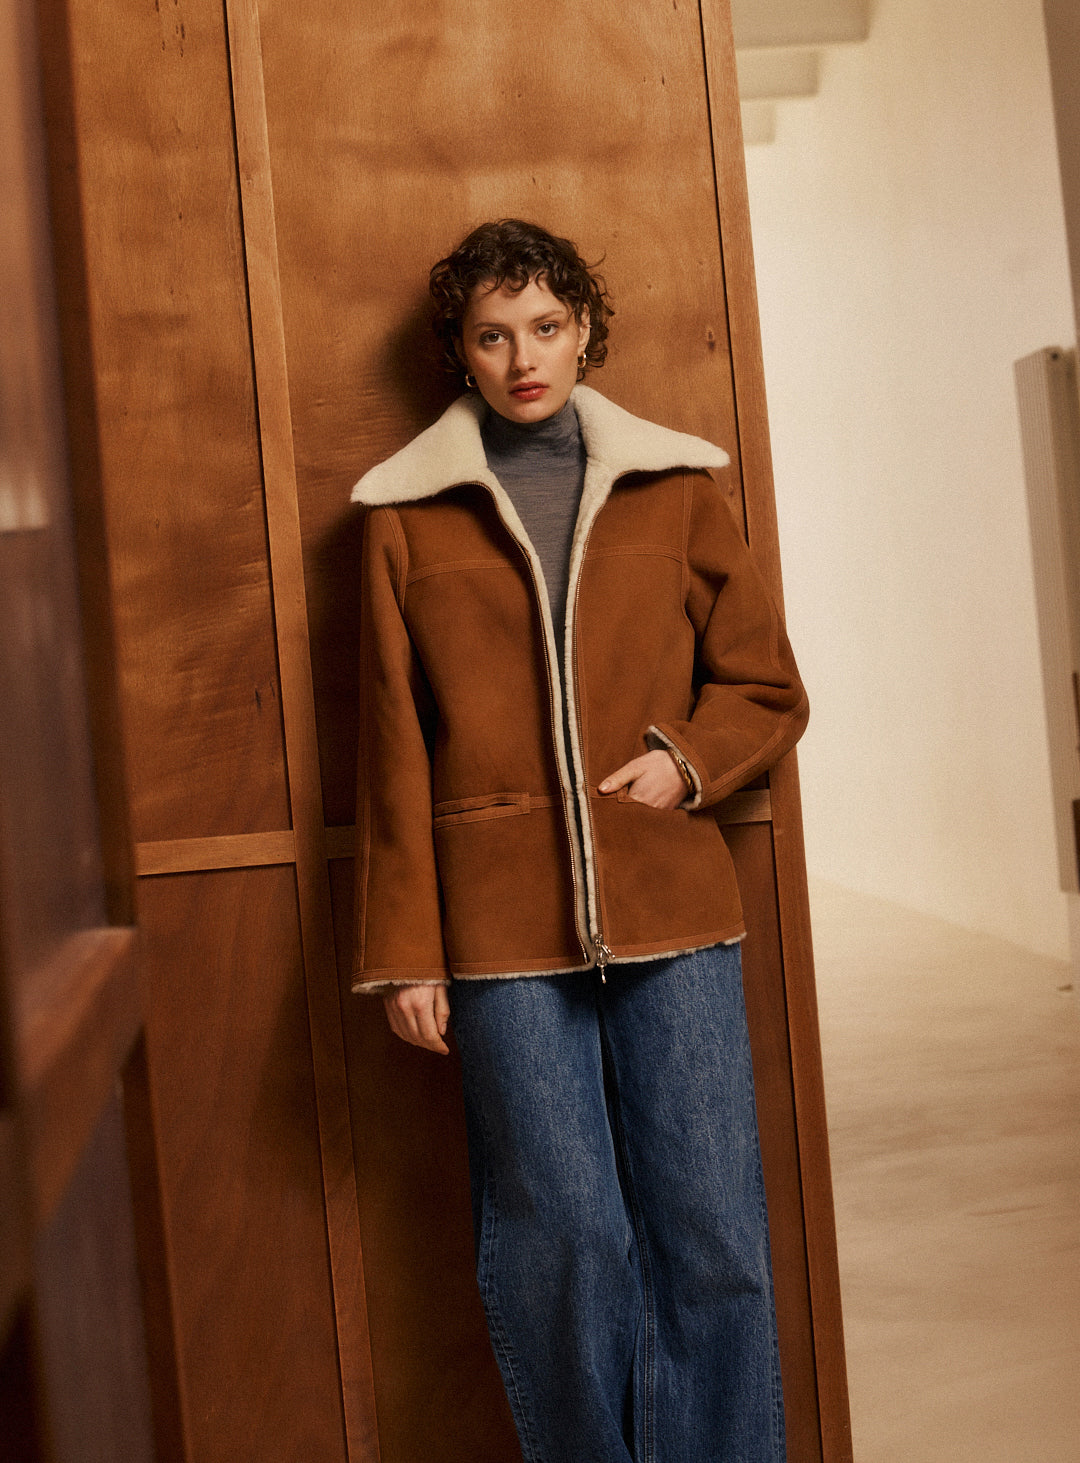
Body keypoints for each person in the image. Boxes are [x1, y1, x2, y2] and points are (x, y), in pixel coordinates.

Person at [350, 219, 808, 1463]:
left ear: (586, 330)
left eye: (546, 327)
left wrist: (685, 759)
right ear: (459, 350)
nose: (523, 358)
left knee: (712, 1229)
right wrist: (407, 951)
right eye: (493, 335)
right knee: (563, 1234)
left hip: (674, 906)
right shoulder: (405, 514)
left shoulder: (676, 486)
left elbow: (767, 685)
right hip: (499, 931)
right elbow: (391, 750)